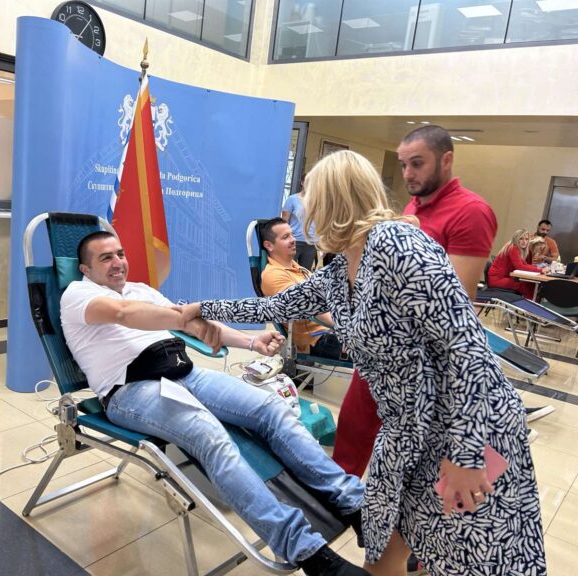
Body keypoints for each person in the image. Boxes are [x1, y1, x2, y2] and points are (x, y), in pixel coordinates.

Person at [182, 150, 546, 576]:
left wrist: (467, 455)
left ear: (333, 200)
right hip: (407, 430)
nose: (304, 211)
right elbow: (276, 304)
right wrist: (201, 308)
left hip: (465, 427)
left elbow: (465, 347)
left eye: (310, 198)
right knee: (387, 541)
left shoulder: (397, 245)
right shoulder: (340, 270)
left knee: (469, 556)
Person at [60, 231, 367, 576]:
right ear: (85, 269)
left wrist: (251, 341)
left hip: (184, 374)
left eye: (120, 253)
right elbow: (123, 313)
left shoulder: (141, 290)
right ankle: (307, 552)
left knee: (270, 409)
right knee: (211, 437)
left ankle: (354, 504)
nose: (118, 262)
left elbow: (195, 325)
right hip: (131, 390)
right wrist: (185, 318)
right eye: (106, 258)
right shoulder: (78, 294)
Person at [332, 124, 498, 480]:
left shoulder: (471, 211)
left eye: (417, 163)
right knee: (351, 436)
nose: (408, 173)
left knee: (411, 466)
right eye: (404, 164)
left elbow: (454, 303)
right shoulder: (412, 206)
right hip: (382, 350)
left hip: (421, 361)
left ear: (446, 160)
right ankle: (340, 500)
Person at [260, 217, 343, 360]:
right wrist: (348, 326)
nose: (293, 240)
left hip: (329, 329)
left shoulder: (298, 268)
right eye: (285, 237)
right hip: (317, 338)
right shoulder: (273, 275)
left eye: (292, 235)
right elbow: (312, 307)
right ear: (269, 245)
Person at [487, 229, 541, 300]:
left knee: (529, 284)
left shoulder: (516, 248)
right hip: (497, 279)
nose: (524, 241)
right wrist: (540, 270)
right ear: (516, 239)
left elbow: (524, 264)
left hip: (503, 277)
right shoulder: (513, 248)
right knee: (524, 284)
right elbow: (520, 267)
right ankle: (529, 304)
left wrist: (538, 268)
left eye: (526, 239)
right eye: (521, 239)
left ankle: (530, 302)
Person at [283, 176, 319, 270]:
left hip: (311, 243)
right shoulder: (292, 199)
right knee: (289, 270)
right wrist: (287, 237)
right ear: (302, 182)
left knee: (305, 273)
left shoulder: (319, 201)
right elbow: (284, 221)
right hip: (294, 241)